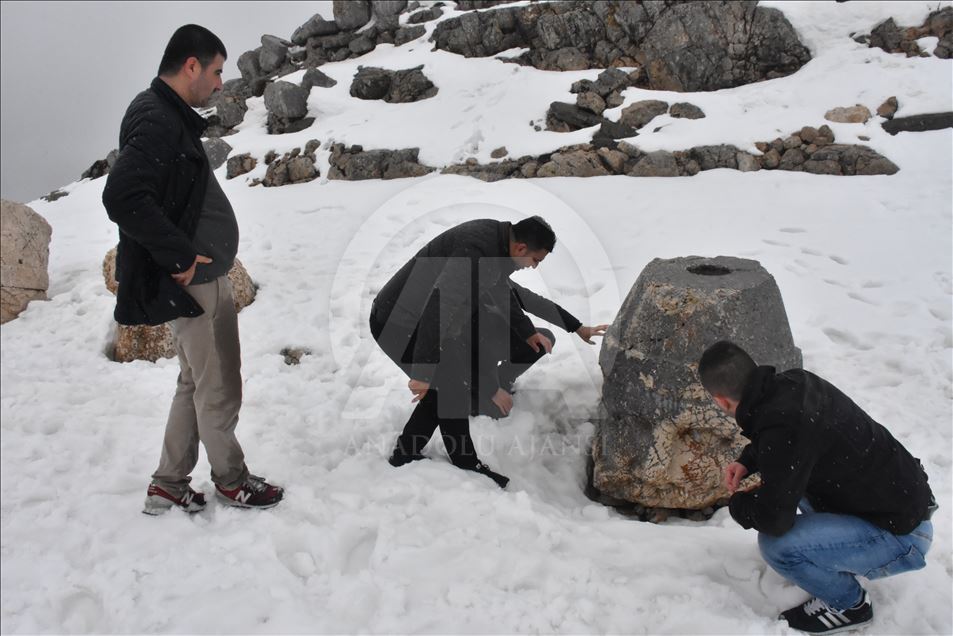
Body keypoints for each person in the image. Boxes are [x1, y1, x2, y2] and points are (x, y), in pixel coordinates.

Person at [103, 24, 283, 514]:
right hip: (196, 282)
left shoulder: (164, 113)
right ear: (191, 66)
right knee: (219, 383)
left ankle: (169, 481)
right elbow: (122, 195)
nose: (221, 83)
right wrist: (179, 255)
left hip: (200, 279)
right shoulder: (157, 117)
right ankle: (232, 480)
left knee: (194, 382)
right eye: (217, 71)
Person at [697, 340, 936, 634]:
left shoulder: (783, 424)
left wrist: (737, 505)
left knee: (777, 546)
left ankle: (850, 605)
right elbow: (787, 441)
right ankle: (840, 554)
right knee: (792, 485)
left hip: (903, 536)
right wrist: (749, 461)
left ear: (721, 401)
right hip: (903, 503)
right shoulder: (795, 383)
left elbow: (775, 520)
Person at [370, 216, 607, 488]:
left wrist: (556, 330)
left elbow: (507, 294)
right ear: (520, 249)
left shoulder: (496, 245)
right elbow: (439, 306)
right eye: (536, 260)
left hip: (426, 320)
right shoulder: (475, 251)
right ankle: (434, 458)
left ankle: (418, 454)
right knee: (445, 387)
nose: (534, 266)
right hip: (397, 321)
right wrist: (423, 371)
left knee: (449, 385)